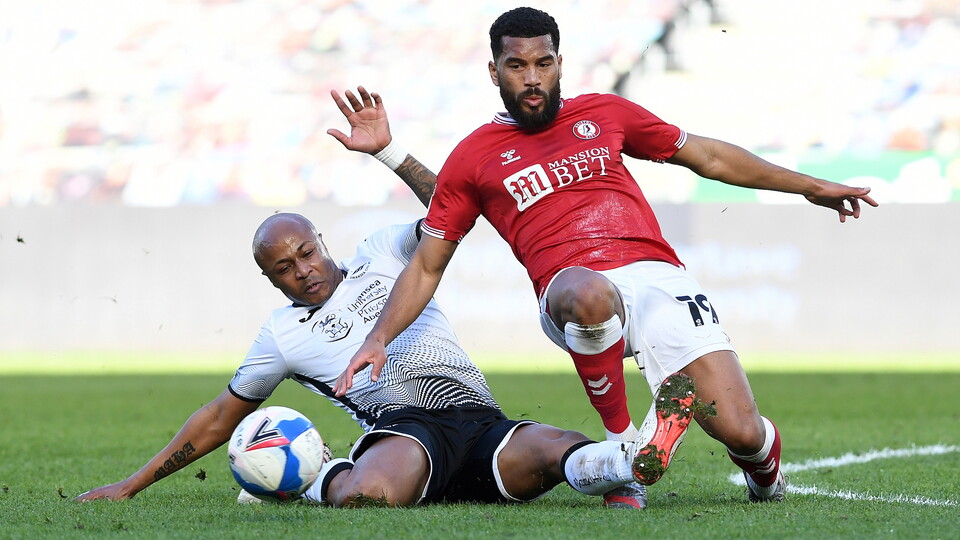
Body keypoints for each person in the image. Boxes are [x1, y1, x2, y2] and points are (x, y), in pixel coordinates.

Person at [333, 7, 879, 509]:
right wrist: (378, 338)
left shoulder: (605, 113)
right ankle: (625, 451)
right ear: (494, 72)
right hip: (569, 291)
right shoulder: (473, 157)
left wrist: (810, 186)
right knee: (587, 290)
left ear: (560, 63)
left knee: (739, 428)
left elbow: (708, 157)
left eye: (544, 63)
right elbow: (427, 264)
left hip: (658, 280)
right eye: (517, 65)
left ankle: (763, 464)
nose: (532, 77)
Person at [73, 96, 703, 507]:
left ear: (321, 242)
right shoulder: (281, 336)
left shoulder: (383, 250)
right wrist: (131, 485)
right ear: (272, 281)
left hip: (479, 420)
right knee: (367, 497)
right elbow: (218, 416)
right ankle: (315, 475)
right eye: (284, 269)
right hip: (405, 432)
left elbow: (450, 205)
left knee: (563, 452)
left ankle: (631, 459)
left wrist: (387, 153)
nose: (303, 271)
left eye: (306, 253)